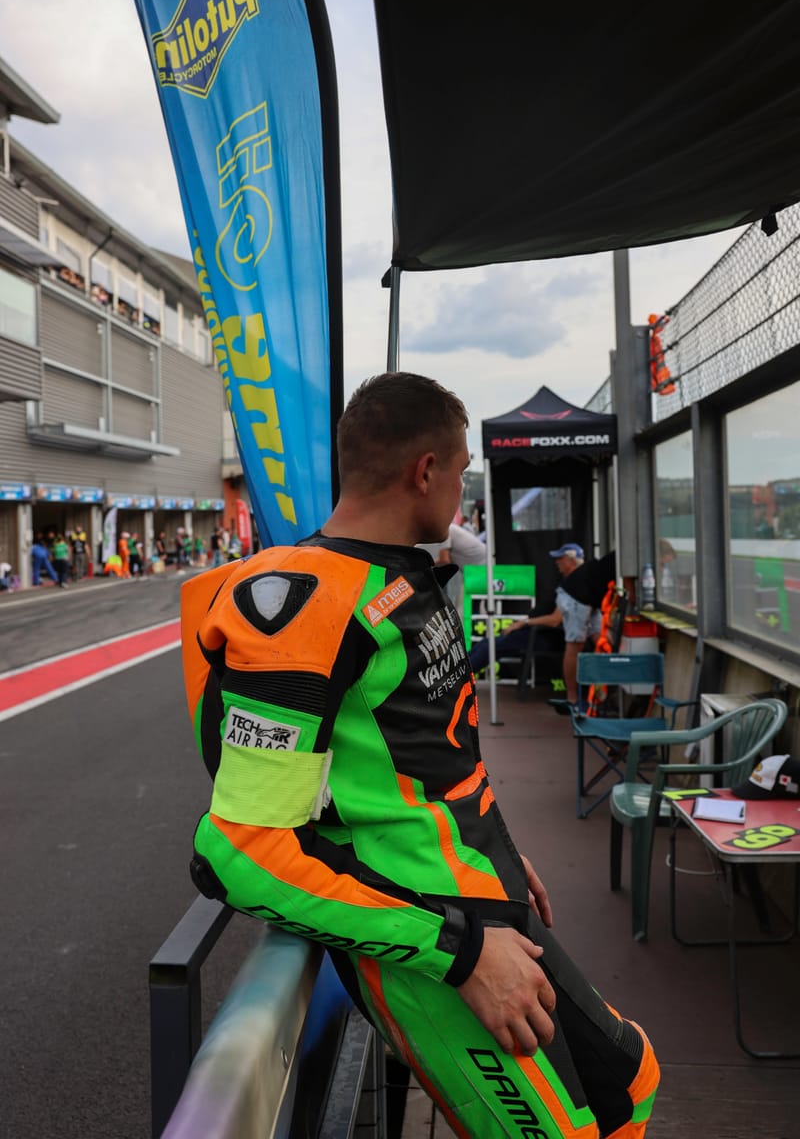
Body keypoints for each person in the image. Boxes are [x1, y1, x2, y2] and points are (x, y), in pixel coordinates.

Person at [184, 373, 658, 1138]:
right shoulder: (300, 603)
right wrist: (461, 951)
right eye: (462, 468)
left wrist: (495, 845)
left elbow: (426, 753)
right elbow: (240, 853)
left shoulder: (398, 571)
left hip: (481, 894)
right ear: (425, 472)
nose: (463, 485)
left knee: (632, 1085)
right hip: (436, 942)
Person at [500, 545, 615, 703]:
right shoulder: (571, 586)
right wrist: (524, 622)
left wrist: (523, 622)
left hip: (588, 602)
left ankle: (603, 689)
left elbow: (554, 619)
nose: (557, 563)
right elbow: (555, 620)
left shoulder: (582, 579)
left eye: (560, 560)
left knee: (603, 641)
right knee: (576, 645)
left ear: (571, 561)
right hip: (575, 606)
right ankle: (573, 698)